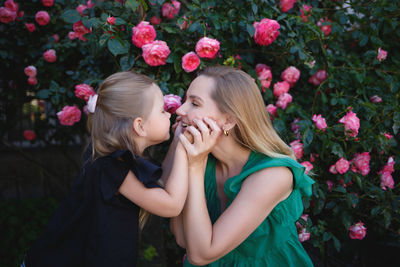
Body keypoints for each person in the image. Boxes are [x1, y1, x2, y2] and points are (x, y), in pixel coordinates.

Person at [24, 71, 189, 267]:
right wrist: (183, 149)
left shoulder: (113, 161)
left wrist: (178, 141)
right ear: (140, 126)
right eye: (162, 110)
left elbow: (164, 184)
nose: (169, 114)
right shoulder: (112, 167)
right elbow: (171, 205)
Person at [171, 66, 315, 266]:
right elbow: (182, 238)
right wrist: (181, 153)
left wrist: (194, 168)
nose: (180, 110)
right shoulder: (203, 159)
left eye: (194, 103)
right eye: (185, 100)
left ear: (229, 120)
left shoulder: (273, 175)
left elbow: (200, 255)